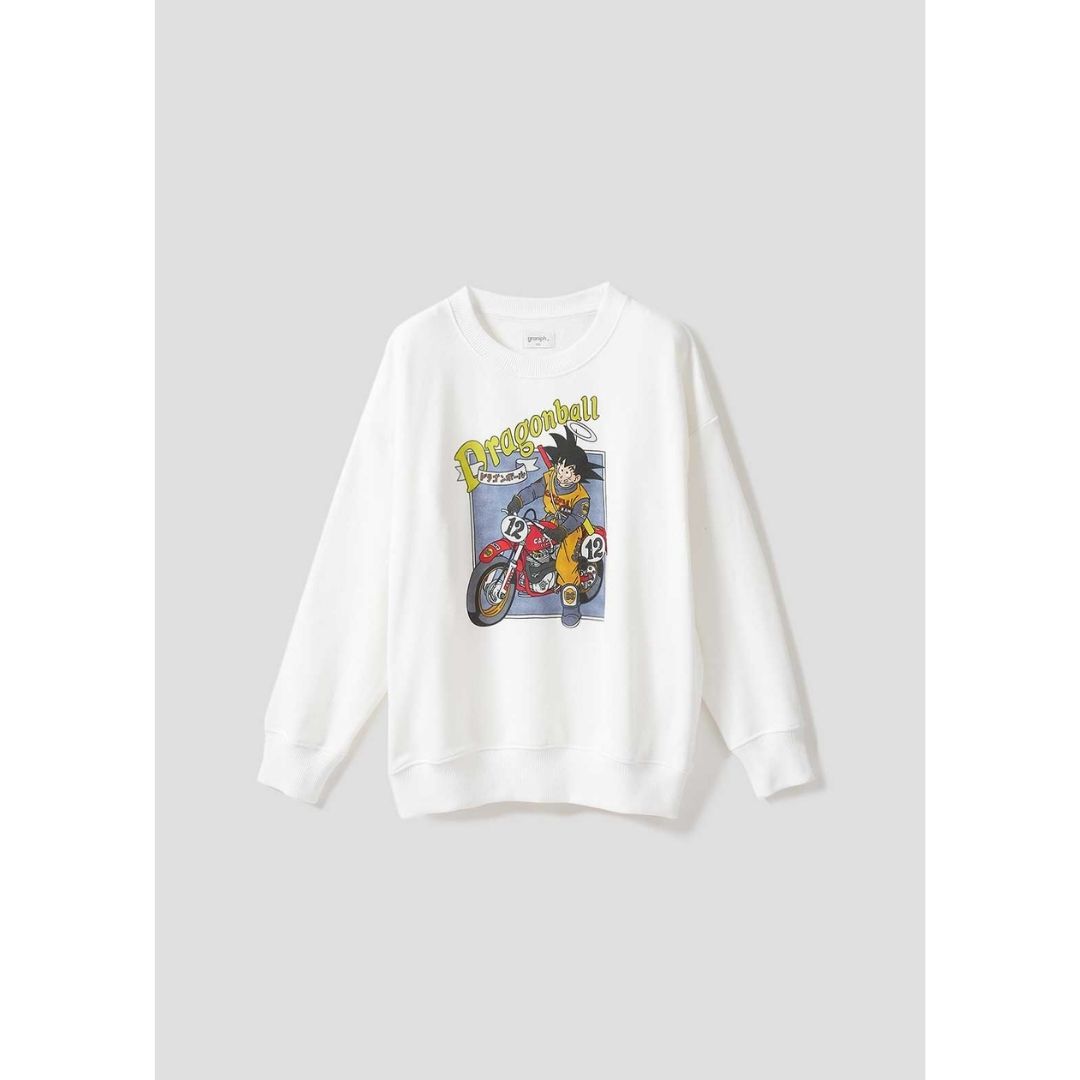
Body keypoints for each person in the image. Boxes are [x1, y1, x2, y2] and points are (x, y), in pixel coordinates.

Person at [505, 427, 602, 627]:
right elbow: (533, 490)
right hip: (550, 520)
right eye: (560, 467)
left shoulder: (581, 497)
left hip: (570, 530)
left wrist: (562, 531)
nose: (561, 473)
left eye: (566, 471)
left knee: (565, 565)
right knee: (529, 540)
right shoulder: (550, 478)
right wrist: (518, 501)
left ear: (576, 477)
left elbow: (577, 517)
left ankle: (571, 609)